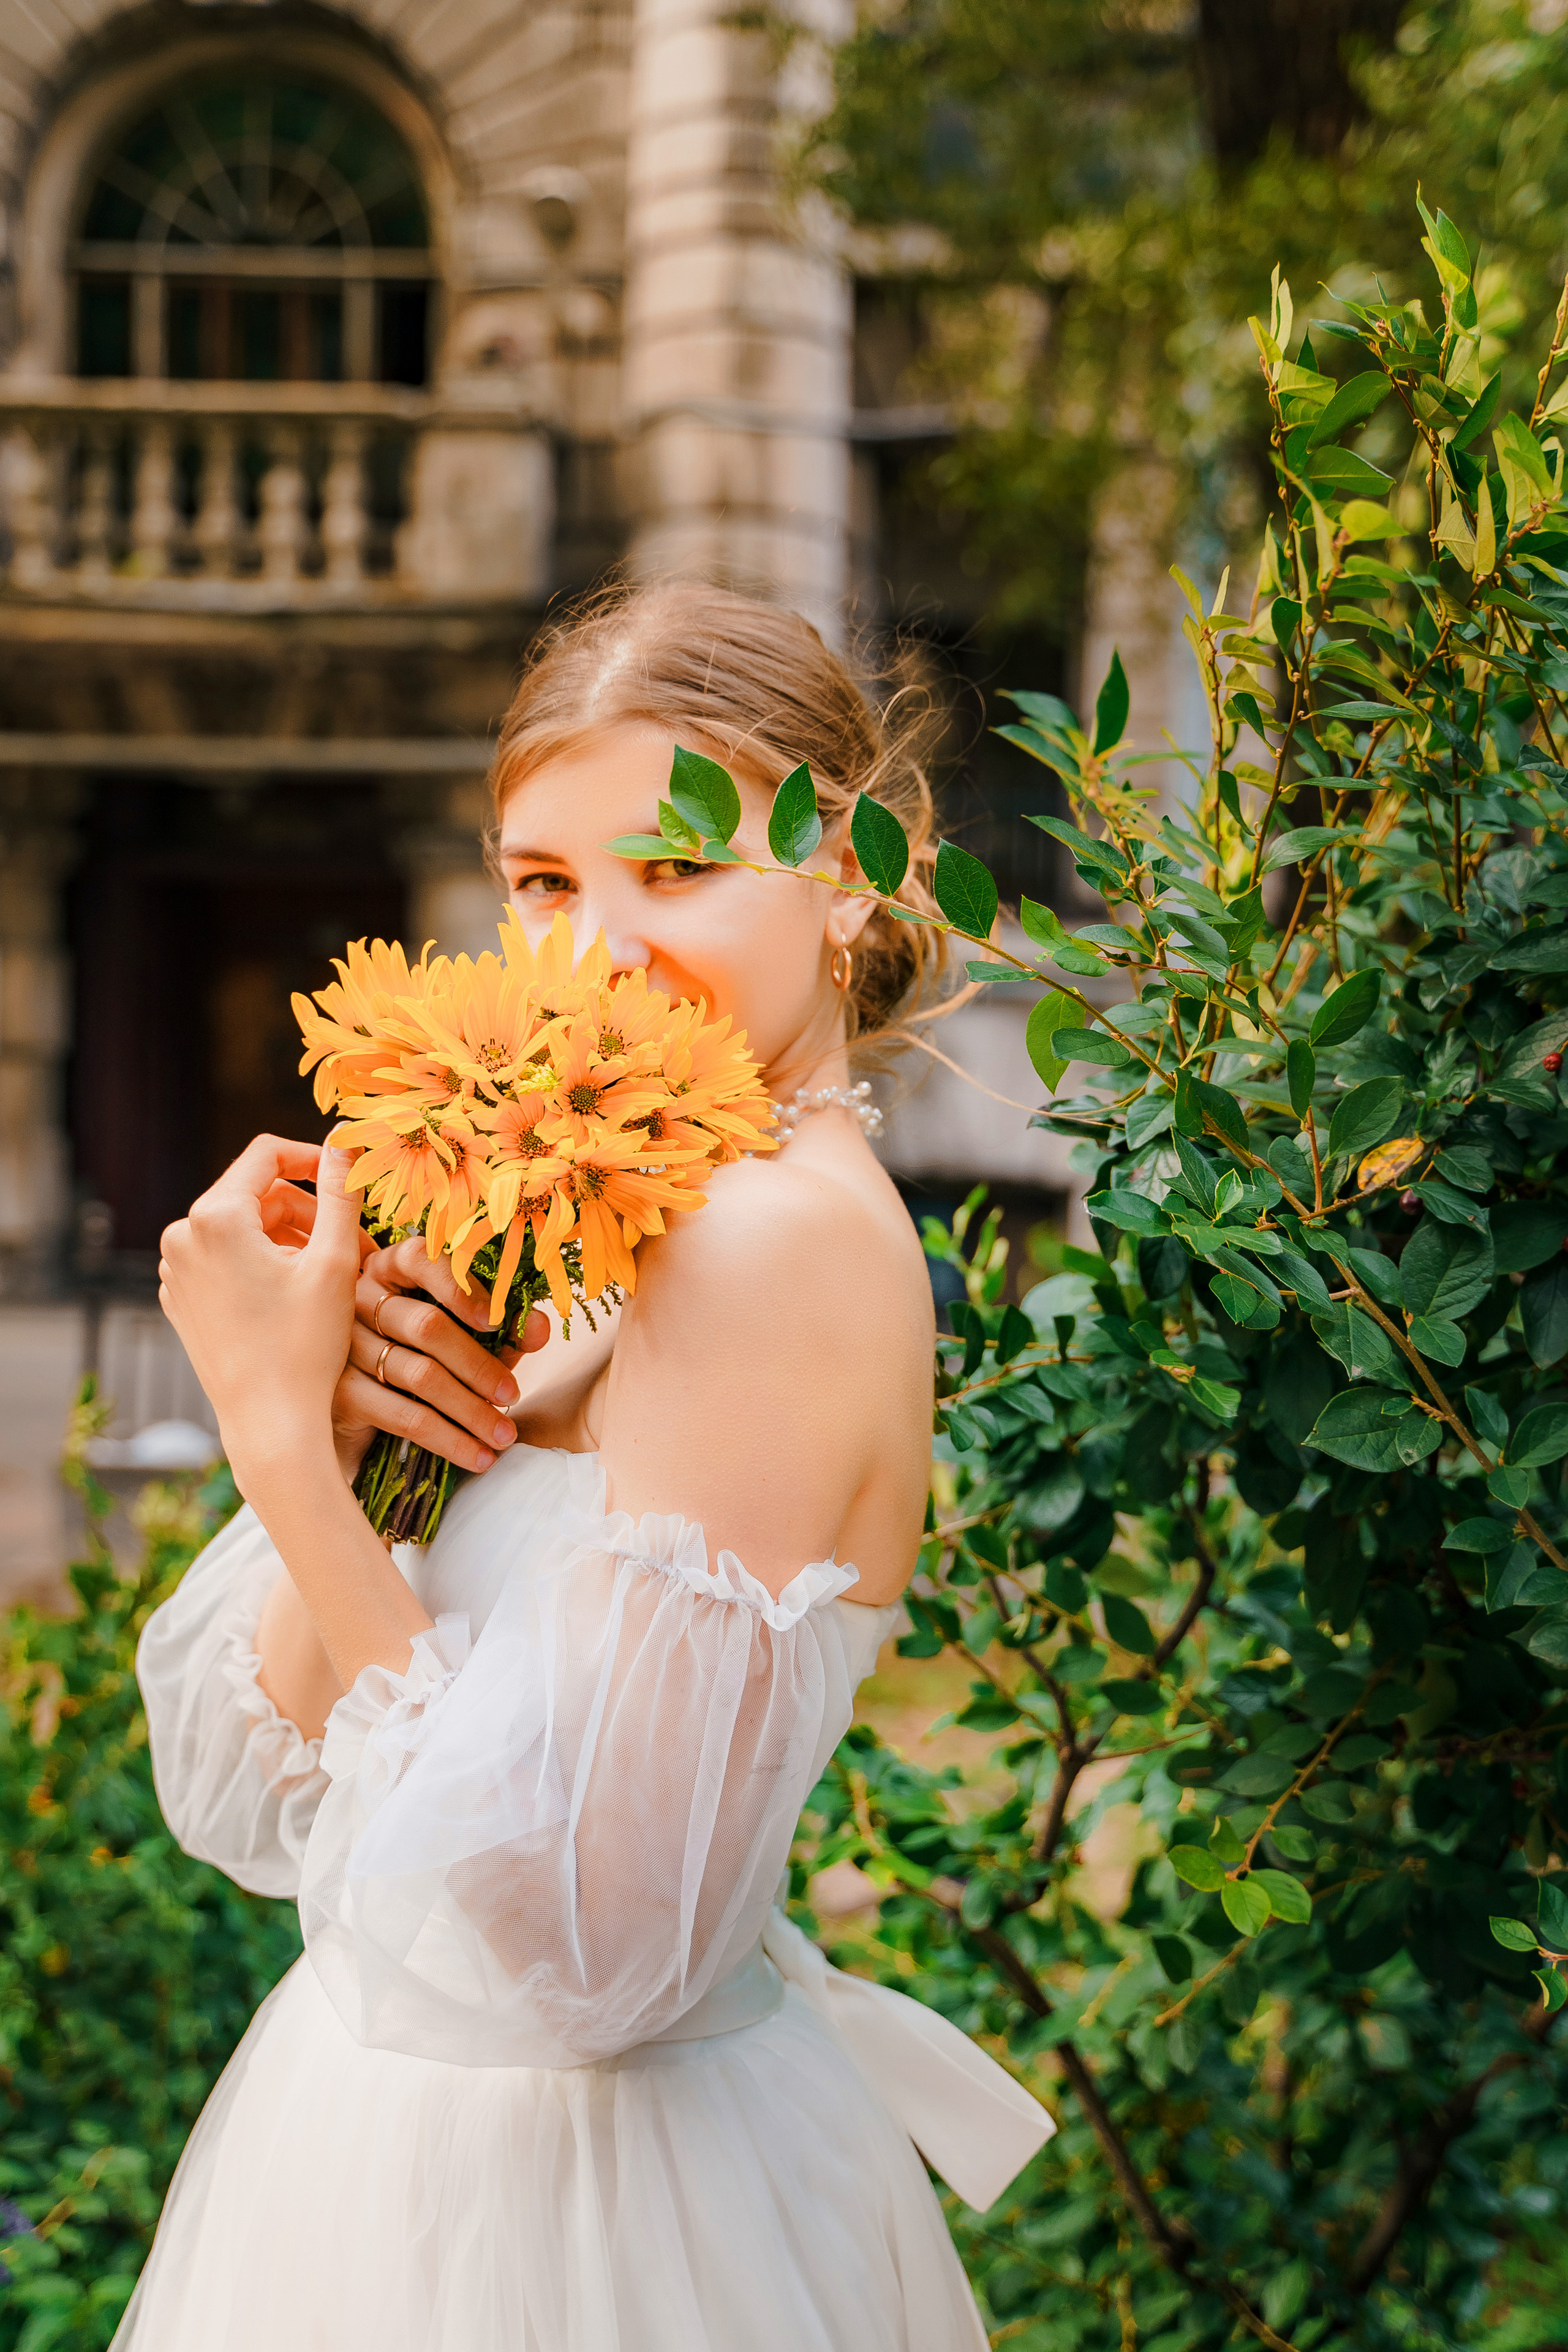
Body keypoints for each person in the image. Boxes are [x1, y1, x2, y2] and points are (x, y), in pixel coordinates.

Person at [116, 584, 1052, 2351]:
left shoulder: (766, 1250)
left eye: (673, 868)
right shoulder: (613, 1228)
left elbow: (582, 1958)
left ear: (846, 871)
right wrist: (353, 1422)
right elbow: (246, 1788)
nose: (596, 953)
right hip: (380, 2157)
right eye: (544, 882)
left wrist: (265, 1433)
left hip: (588, 2220)